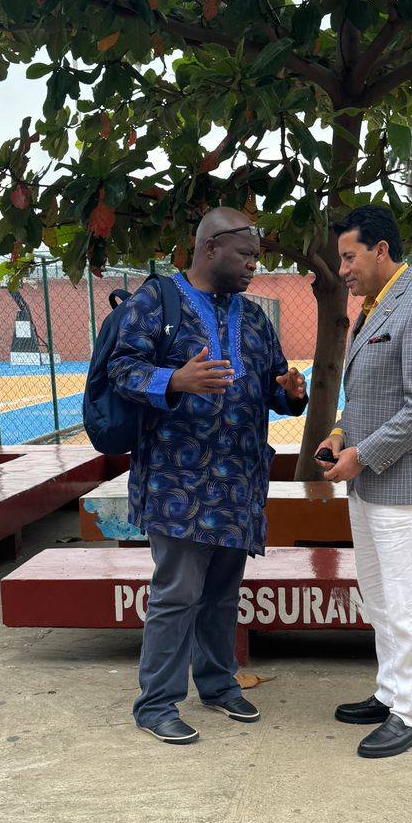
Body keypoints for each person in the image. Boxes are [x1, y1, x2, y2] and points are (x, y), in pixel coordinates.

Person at [108, 209, 307, 744]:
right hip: (177, 482)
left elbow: (273, 383)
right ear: (211, 247)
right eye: (246, 255)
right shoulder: (156, 302)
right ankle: (157, 704)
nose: (253, 266)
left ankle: (218, 685)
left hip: (238, 482)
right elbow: (121, 369)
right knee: (177, 593)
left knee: (222, 593)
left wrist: (291, 393)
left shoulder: (255, 318)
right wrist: (175, 379)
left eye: (257, 258)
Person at [317, 206, 412, 760]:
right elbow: (368, 397)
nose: (343, 270)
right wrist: (339, 433)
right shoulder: (375, 307)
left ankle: (411, 714)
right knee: (378, 597)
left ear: (381, 250)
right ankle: (390, 692)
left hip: (404, 485)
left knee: (405, 600)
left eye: (349, 257)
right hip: (369, 482)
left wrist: (363, 455)